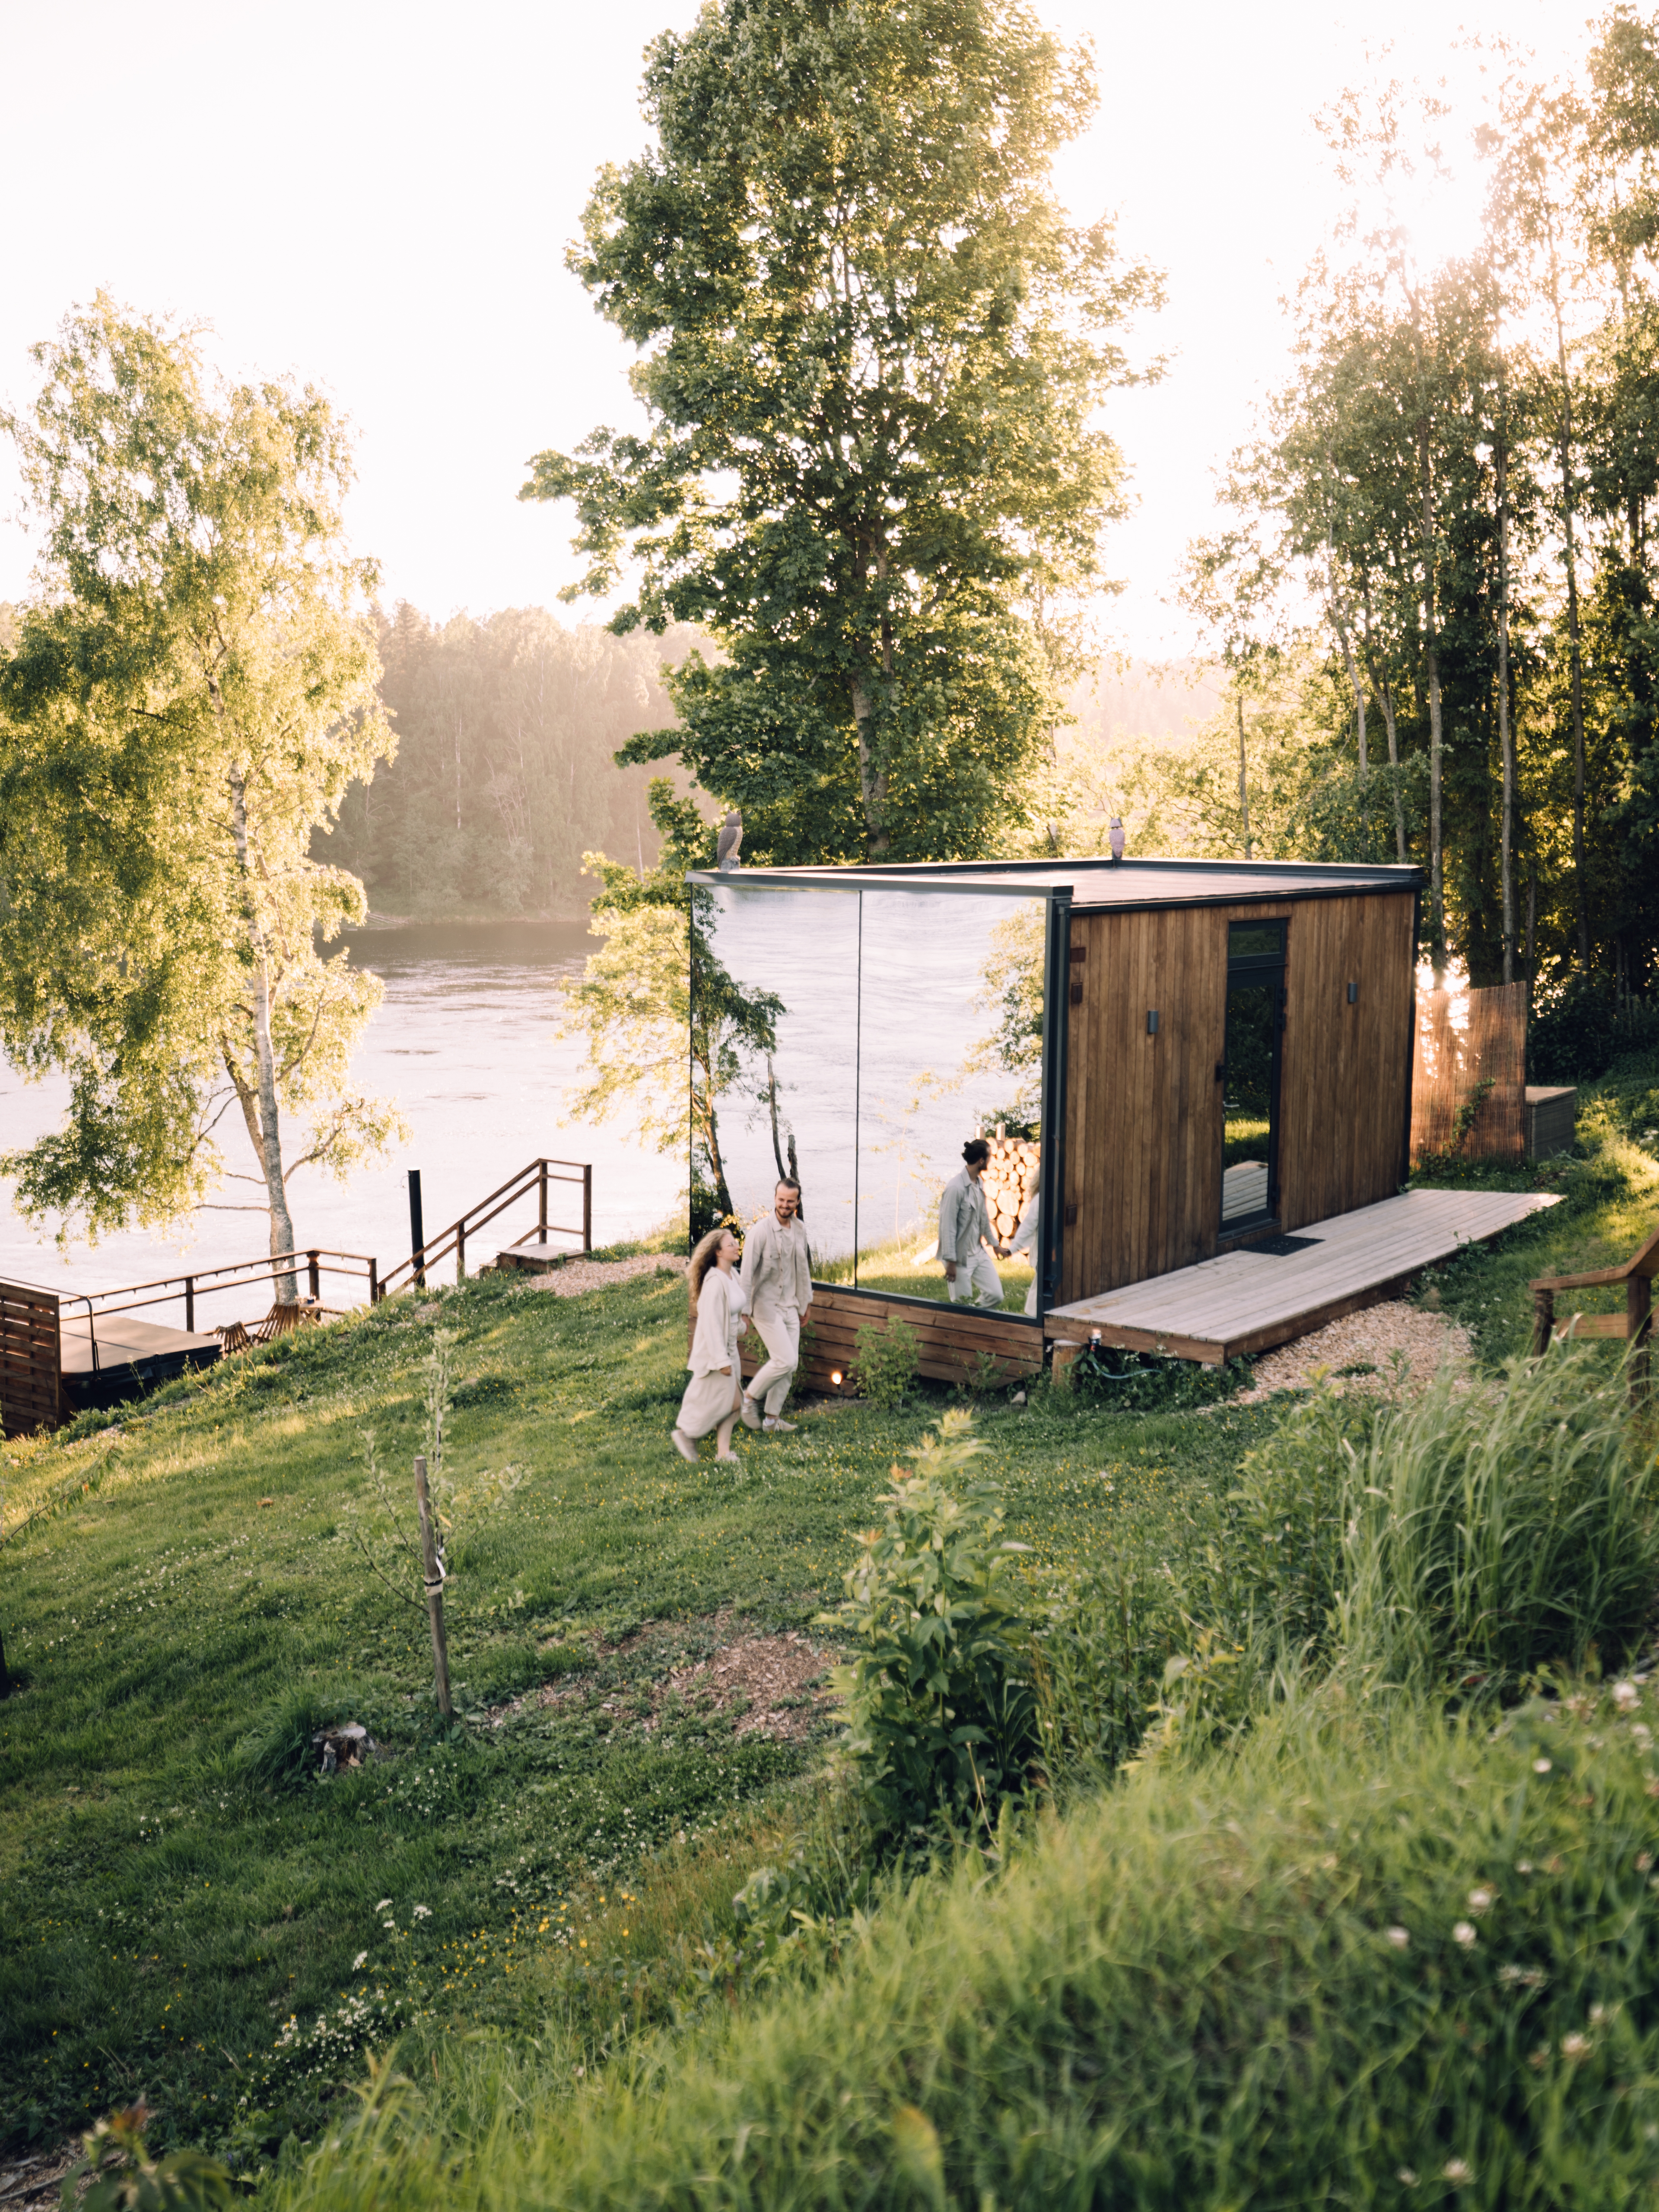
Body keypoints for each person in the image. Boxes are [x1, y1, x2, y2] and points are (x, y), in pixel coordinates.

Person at [738, 1177, 811, 1432]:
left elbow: (802, 1270)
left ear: (797, 1203)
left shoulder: (800, 1229)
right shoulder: (759, 1232)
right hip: (766, 1308)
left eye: (790, 1201)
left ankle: (771, 1421)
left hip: (791, 1306)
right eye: (781, 1200)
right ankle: (749, 1399)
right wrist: (745, 1313)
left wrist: (806, 1303)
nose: (785, 1204)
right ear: (775, 1199)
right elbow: (746, 1275)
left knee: (789, 1367)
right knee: (784, 1360)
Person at [673, 1226, 747, 1462]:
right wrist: (721, 1360)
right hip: (717, 1353)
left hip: (729, 1349)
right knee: (726, 1402)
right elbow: (711, 1324)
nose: (736, 1247)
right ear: (718, 1252)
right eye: (730, 1245)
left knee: (734, 1404)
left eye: (736, 1243)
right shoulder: (714, 1283)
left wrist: (742, 1327)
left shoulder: (732, 1275)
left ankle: (722, 1452)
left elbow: (732, 1314)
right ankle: (687, 1434)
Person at [938, 1138, 1005, 1309]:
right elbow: (947, 1228)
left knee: (996, 1295)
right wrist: (951, 1262)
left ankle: (974, 1320)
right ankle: (964, 1327)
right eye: (989, 1157)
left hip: (978, 1254)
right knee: (963, 1306)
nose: (991, 1160)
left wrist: (995, 1245)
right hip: (959, 1258)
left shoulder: (979, 1184)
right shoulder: (956, 1188)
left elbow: (983, 1219)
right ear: (981, 1161)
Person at [1008, 1170, 1041, 1317]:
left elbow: (1029, 1225)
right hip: (1049, 1251)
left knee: (1039, 1288)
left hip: (1045, 1253)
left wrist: (1012, 1249)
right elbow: (1029, 1226)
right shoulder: (1043, 1198)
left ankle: (1035, 1320)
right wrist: (1013, 1248)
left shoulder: (1041, 1198)